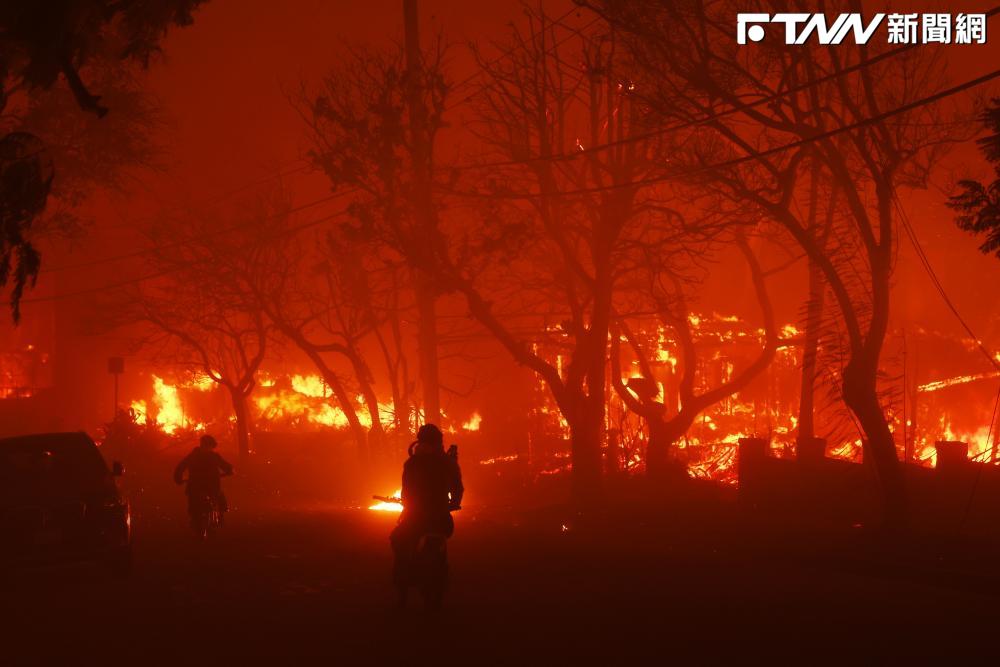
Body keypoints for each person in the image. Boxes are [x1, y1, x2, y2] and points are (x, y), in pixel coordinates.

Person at [390, 424, 464, 603]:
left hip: (415, 519)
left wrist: (409, 505)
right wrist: (453, 504)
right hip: (441, 519)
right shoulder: (449, 463)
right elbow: (458, 489)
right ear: (439, 442)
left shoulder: (412, 463)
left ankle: (402, 581)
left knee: (397, 538)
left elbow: (405, 492)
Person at [173, 434, 233, 528]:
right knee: (216, 496)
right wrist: (230, 471)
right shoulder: (212, 456)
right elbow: (226, 467)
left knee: (218, 497)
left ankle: (219, 515)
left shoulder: (195, 456)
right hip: (203, 487)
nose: (208, 448)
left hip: (202, 487)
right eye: (208, 446)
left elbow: (181, 466)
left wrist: (178, 478)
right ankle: (198, 520)